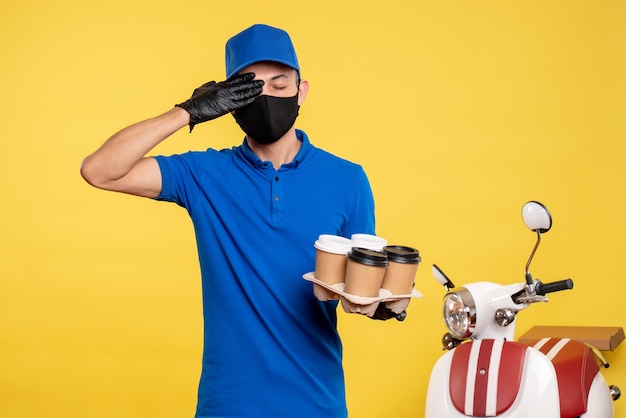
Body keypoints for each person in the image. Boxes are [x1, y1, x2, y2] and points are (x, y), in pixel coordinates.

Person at [81, 24, 378, 418]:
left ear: (301, 90)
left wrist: (379, 303)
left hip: (317, 401)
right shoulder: (203, 174)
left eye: (280, 84)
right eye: (251, 88)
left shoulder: (348, 179)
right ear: (230, 101)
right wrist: (186, 111)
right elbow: (99, 170)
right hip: (229, 403)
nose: (269, 96)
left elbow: (361, 284)